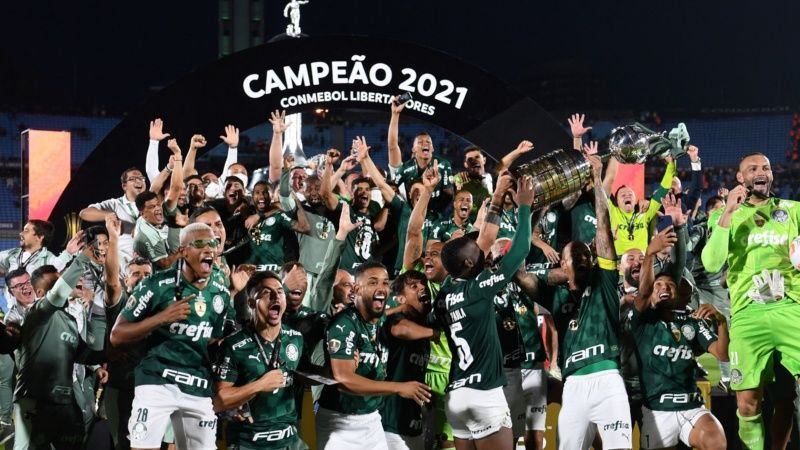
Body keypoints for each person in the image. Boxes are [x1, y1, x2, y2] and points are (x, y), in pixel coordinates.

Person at [701, 152, 800, 449]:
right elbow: (711, 262)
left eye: (766, 168)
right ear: (740, 178)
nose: (761, 172)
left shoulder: (793, 210)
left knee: (785, 401)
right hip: (748, 314)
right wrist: (729, 211)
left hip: (791, 310)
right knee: (747, 404)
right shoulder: (723, 216)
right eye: (753, 168)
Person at [432, 172, 535, 450]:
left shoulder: (445, 291)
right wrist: (525, 207)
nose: (483, 250)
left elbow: (483, 240)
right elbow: (521, 248)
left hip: (456, 396)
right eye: (476, 251)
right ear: (469, 263)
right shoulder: (478, 288)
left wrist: (498, 197)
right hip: (483, 394)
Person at [110, 222, 231, 450]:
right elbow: (117, 335)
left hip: (197, 384)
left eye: (213, 243)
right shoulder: (155, 285)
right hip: (157, 381)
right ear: (183, 251)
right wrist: (161, 318)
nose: (209, 249)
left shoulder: (221, 293)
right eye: (200, 244)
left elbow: (213, 339)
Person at [550, 151, 632, 450]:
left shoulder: (605, 281)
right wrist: (526, 210)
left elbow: (603, 228)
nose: (584, 256)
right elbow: (522, 275)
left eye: (587, 253)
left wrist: (597, 178)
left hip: (609, 380)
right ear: (563, 263)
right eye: (575, 254)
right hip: (572, 385)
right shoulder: (556, 293)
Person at [316, 261, 431, 450]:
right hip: (340, 422)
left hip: (372, 421)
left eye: (385, 282)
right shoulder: (344, 324)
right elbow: (344, 379)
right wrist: (398, 388)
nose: (381, 287)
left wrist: (403, 308)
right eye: (373, 282)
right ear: (356, 289)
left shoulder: (378, 320)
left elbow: (386, 313)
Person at [631, 228, 728, 450]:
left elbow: (722, 354)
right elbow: (643, 293)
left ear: (678, 295)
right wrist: (650, 254)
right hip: (657, 411)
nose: (664, 287)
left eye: (670, 285)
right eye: (658, 285)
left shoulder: (692, 322)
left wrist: (721, 321)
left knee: (716, 441)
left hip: (692, 406)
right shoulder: (643, 321)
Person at [13, 250, 103, 450]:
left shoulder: (70, 320)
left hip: (64, 403)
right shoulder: (37, 313)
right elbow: (59, 293)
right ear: (41, 294)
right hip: (35, 401)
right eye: (55, 283)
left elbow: (83, 354)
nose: (64, 285)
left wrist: (112, 354)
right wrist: (82, 259)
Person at [213, 271, 307, 450]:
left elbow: (305, 373)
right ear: (251, 303)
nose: (275, 297)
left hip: (290, 440)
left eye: (280, 291)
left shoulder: (295, 338)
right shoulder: (234, 345)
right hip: (249, 443)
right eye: (266, 292)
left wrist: (330, 373)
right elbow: (219, 400)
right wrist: (260, 385)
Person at [103, 214, 154, 450]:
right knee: (122, 444)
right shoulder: (121, 302)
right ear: (126, 279)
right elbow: (111, 282)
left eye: (147, 275)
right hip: (122, 386)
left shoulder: (163, 306)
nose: (142, 279)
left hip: (153, 390)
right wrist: (113, 239)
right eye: (136, 274)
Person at [380, 270, 435, 450]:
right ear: (401, 299)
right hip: (390, 423)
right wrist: (434, 333)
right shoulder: (396, 318)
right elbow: (400, 330)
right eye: (414, 286)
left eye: (423, 284)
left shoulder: (423, 324)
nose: (422, 288)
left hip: (412, 423)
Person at [321, 137, 388, 274]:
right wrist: (335, 168)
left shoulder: (375, 207)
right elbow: (325, 194)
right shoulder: (345, 208)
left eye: (367, 189)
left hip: (368, 272)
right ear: (351, 193)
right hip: (347, 274)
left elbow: (372, 179)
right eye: (359, 189)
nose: (364, 192)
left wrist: (363, 158)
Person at [387, 97, 454, 212]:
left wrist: (433, 213)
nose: (425, 143)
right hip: (411, 214)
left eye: (428, 142)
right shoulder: (405, 168)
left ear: (432, 148)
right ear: (413, 149)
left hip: (435, 214)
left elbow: (448, 194)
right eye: (420, 142)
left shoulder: (443, 164)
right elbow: (392, 187)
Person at [133, 138, 184, 269]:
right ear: (142, 213)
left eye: (157, 204)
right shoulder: (147, 235)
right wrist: (182, 252)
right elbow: (164, 264)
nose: (158, 209)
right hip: (162, 272)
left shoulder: (153, 213)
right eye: (152, 207)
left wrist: (172, 164)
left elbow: (173, 188)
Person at [79, 166, 146, 264]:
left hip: (149, 263)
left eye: (141, 178)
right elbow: (84, 213)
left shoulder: (152, 204)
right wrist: (108, 215)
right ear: (124, 186)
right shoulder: (114, 204)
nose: (139, 181)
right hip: (123, 263)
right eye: (132, 179)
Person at [244, 181, 310, 271]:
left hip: (273, 273)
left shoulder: (279, 216)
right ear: (252, 195)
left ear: (271, 196)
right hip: (251, 273)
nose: (261, 196)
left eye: (265, 192)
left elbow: (304, 228)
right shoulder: (246, 214)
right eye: (257, 192)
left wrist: (296, 201)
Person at [452, 146, 493, 220]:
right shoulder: (461, 178)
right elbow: (450, 181)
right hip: (467, 222)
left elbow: (502, 165)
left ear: (484, 160)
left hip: (488, 221)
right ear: (465, 164)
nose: (474, 161)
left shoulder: (490, 177)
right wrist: (454, 181)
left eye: (477, 157)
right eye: (470, 159)